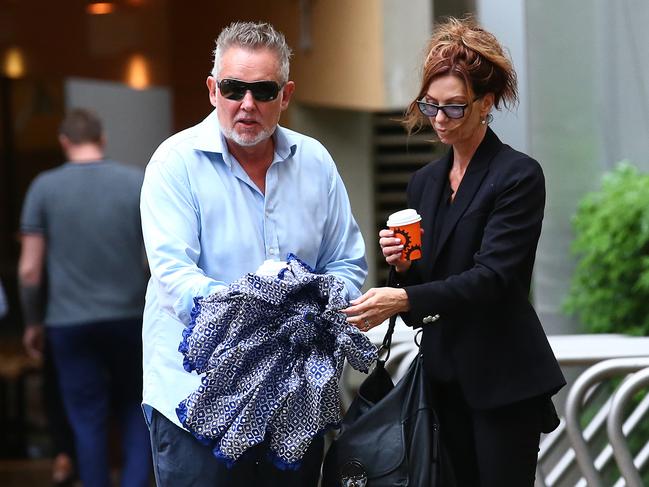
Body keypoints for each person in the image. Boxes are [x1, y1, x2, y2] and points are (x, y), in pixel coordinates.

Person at [139, 21, 366, 487]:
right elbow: (175, 279)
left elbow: (347, 263)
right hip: (198, 404)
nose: (247, 104)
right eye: (233, 88)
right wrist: (270, 310)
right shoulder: (174, 163)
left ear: (285, 96)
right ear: (212, 90)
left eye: (263, 90)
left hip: (293, 406)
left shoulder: (316, 161)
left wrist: (317, 304)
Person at [342, 17, 566, 487]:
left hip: (504, 379)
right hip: (442, 381)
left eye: (454, 108)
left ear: (486, 104)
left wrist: (402, 298)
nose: (439, 119)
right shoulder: (423, 183)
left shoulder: (517, 176)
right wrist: (401, 269)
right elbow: (420, 299)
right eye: (431, 106)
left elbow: (493, 278)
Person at [19, 108, 152, 487]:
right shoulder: (135, 183)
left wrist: (32, 322)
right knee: (134, 410)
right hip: (130, 318)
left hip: (68, 323)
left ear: (64, 142)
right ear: (102, 138)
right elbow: (154, 259)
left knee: (86, 419)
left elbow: (29, 270)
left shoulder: (43, 188)